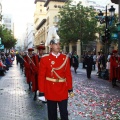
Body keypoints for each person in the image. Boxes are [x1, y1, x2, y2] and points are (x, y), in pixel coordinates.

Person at [38, 26, 73, 120]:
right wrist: (41, 92)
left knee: (64, 114)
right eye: (56, 44)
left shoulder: (65, 58)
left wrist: (70, 88)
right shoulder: (45, 59)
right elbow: (41, 76)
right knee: (52, 115)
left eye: (59, 44)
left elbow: (68, 75)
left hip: (62, 89)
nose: (58, 46)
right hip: (50, 89)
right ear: (51, 46)